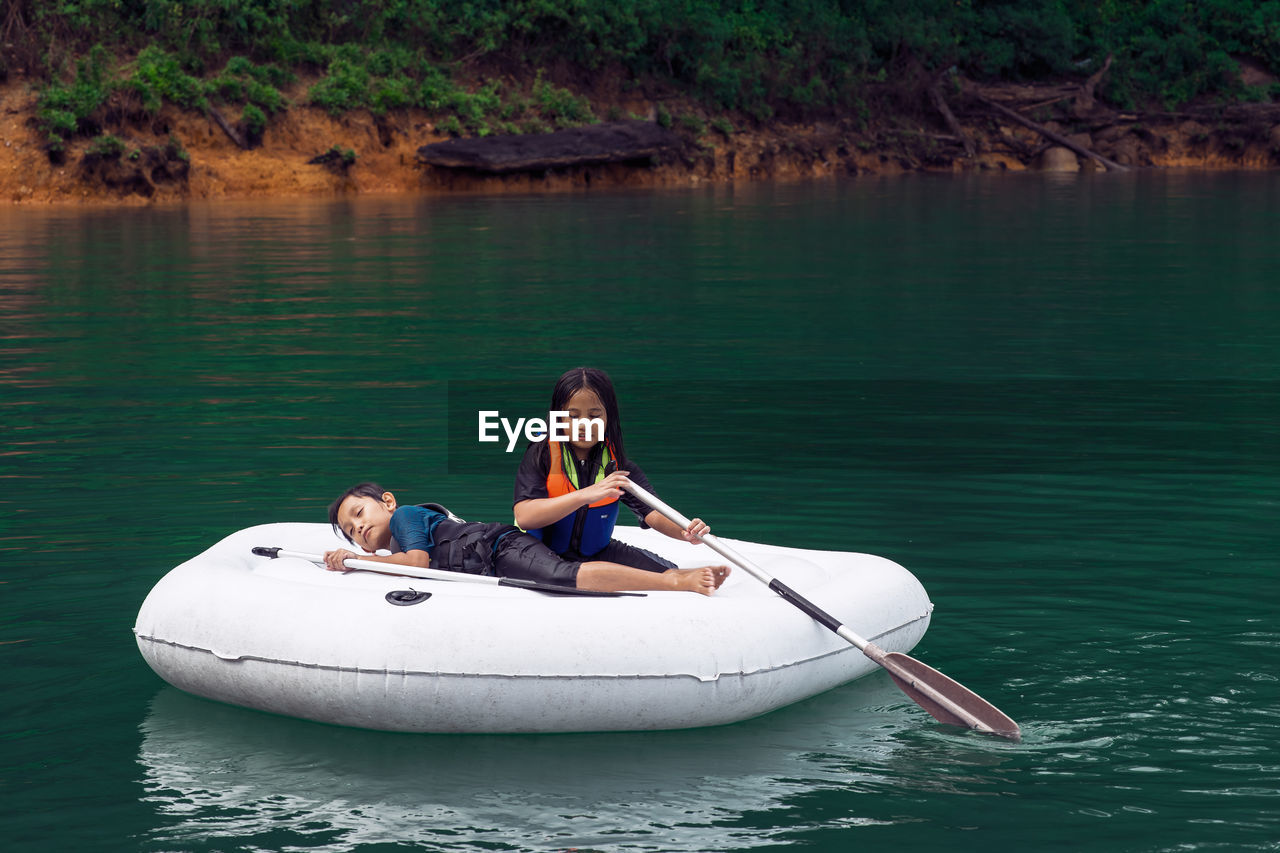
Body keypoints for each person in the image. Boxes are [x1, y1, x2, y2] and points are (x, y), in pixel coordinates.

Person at [325, 482, 729, 595]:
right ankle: (674, 570)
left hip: (502, 548)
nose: (357, 528)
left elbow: (417, 563)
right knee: (568, 565)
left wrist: (351, 559)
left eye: (358, 514)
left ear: (388, 502)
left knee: (560, 576)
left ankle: (675, 579)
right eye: (350, 532)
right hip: (499, 553)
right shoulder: (395, 543)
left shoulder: (406, 519)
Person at [513, 367, 722, 577]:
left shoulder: (618, 466)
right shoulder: (541, 455)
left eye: (594, 415)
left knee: (668, 572)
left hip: (597, 552)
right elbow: (525, 516)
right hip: (537, 553)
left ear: (608, 417)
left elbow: (654, 513)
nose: (584, 425)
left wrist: (685, 530)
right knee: (563, 574)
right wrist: (586, 494)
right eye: (573, 416)